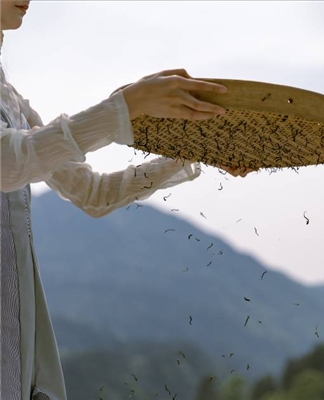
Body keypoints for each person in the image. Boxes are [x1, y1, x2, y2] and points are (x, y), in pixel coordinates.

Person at [0, 1, 251, 398]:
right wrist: (124, 109)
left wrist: (197, 151)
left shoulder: (12, 103)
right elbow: (9, 162)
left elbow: (93, 194)